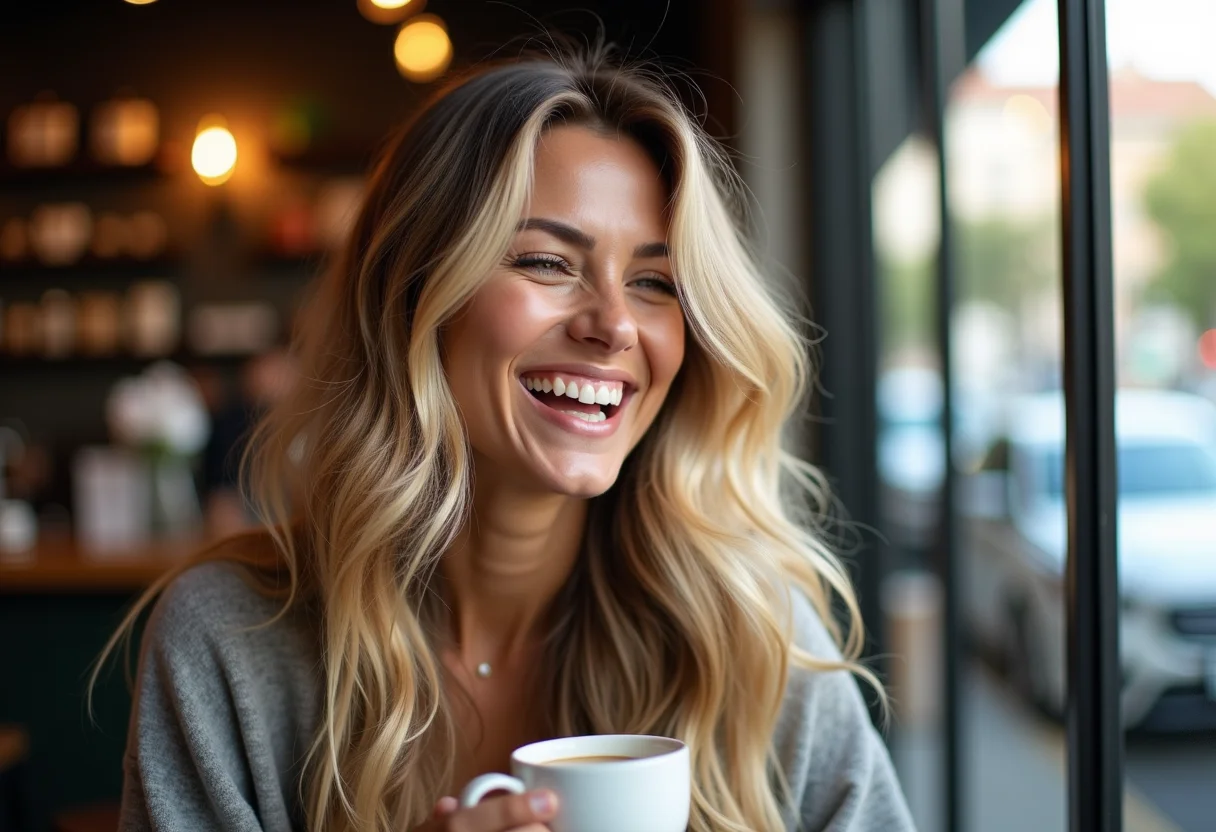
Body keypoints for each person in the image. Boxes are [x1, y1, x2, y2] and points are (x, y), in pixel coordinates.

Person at [98, 46, 917, 832]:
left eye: (655, 282)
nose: (614, 324)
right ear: (415, 296)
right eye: (546, 263)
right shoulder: (231, 641)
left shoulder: (751, 631)